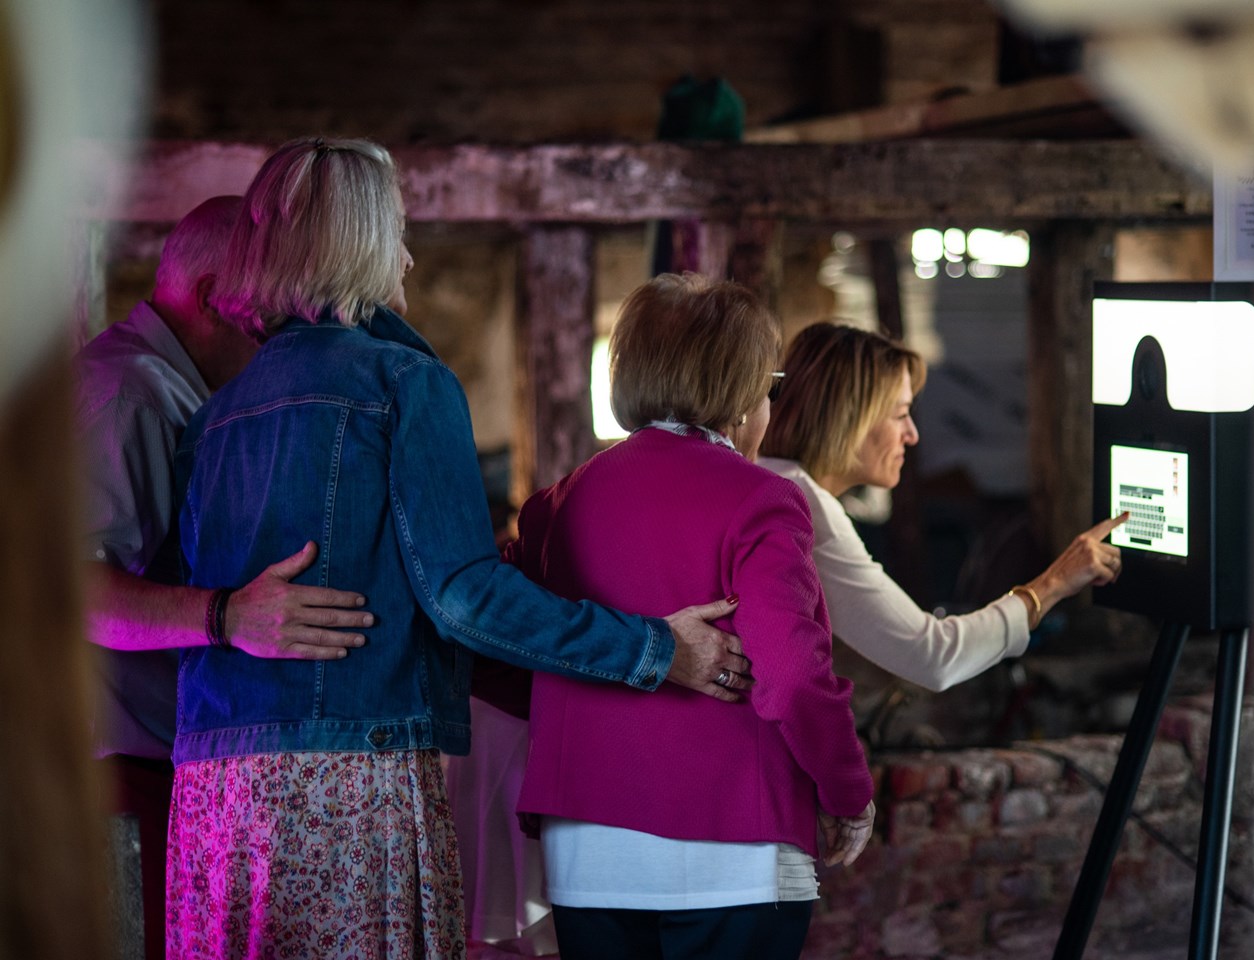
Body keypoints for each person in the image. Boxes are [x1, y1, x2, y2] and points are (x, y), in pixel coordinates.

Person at [165, 139, 748, 960]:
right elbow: (465, 597)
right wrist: (656, 649)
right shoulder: (405, 383)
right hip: (350, 773)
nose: (406, 257)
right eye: (398, 233)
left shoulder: (212, 417)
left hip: (213, 785)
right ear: (364, 244)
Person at [510, 273, 875, 960]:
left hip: (585, 851)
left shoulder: (553, 506)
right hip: (734, 844)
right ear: (740, 393)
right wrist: (848, 790)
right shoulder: (762, 498)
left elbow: (512, 653)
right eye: (768, 386)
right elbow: (793, 675)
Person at [73, 195, 375, 960]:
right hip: (119, 776)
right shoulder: (127, 393)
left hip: (154, 766)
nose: (275, 331)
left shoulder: (173, 389)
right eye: (264, 307)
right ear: (213, 297)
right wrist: (227, 617)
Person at [758, 321, 1126, 693]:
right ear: (849, 418)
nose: (912, 434)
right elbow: (932, 655)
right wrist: (1056, 582)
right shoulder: (803, 507)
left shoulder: (773, 480)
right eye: (900, 414)